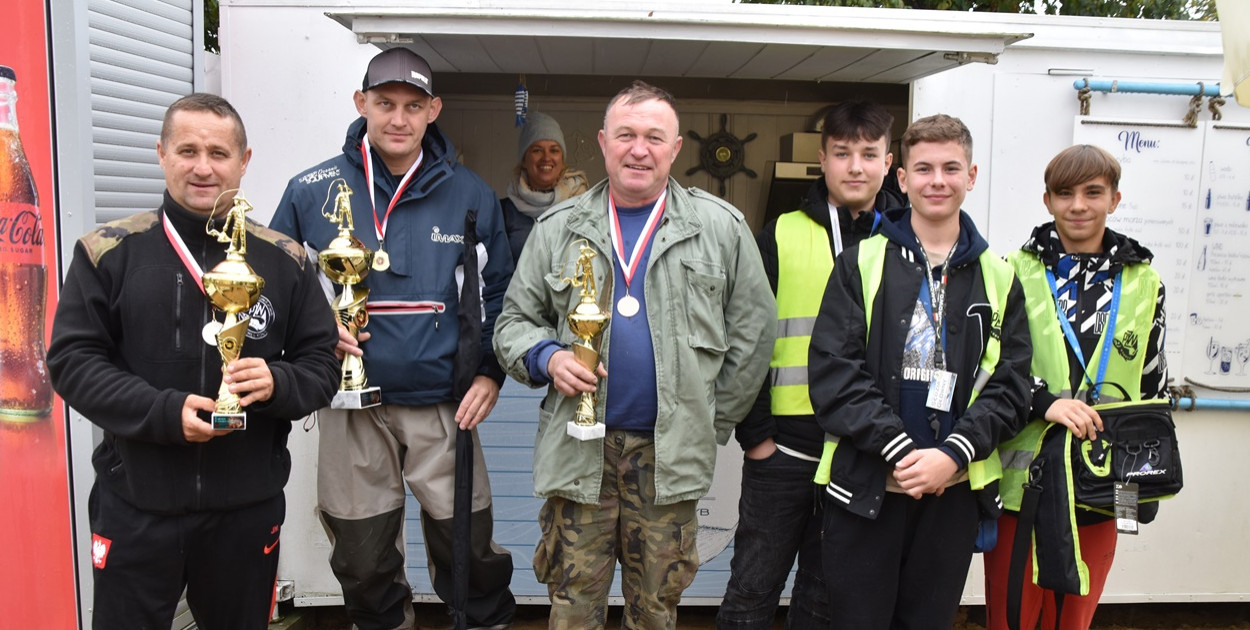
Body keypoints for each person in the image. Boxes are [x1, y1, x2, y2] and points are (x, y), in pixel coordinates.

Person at [47, 93, 340, 630]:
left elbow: (322, 365)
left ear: (244, 160)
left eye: (218, 153)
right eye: (187, 150)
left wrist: (277, 381)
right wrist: (163, 412)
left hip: (245, 510)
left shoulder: (285, 259)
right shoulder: (109, 251)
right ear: (161, 154)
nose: (203, 167)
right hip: (136, 505)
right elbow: (72, 361)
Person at [493, 80, 775, 629]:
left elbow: (753, 335)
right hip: (580, 456)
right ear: (603, 142)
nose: (638, 149)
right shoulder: (557, 229)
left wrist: (708, 421)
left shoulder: (720, 229)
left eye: (654, 137)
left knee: (656, 610)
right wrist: (548, 356)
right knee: (574, 606)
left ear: (675, 148)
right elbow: (511, 324)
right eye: (625, 134)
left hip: (667, 460)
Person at [269, 48, 516, 630]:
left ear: (434, 109)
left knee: (469, 549)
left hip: (443, 406)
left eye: (412, 105)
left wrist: (490, 372)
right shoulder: (311, 190)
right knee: (361, 553)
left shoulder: (470, 193)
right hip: (349, 404)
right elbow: (270, 292)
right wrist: (313, 330)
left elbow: (502, 295)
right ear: (362, 104)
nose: (398, 119)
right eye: (384, 103)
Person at [807, 113, 1032, 629]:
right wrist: (903, 451)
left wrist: (951, 456)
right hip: (868, 488)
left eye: (951, 168)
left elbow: (1011, 387)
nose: (937, 180)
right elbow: (834, 374)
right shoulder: (861, 262)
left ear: (971, 176)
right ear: (902, 178)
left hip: (951, 494)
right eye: (923, 168)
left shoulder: (999, 276)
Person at [717, 100, 906, 630]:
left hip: (861, 451)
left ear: (888, 163)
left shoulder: (906, 241)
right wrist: (755, 435)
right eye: (842, 153)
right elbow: (744, 337)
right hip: (786, 448)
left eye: (869, 154)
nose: (855, 167)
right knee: (752, 592)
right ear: (821, 159)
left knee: (825, 598)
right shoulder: (778, 233)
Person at [983, 144, 1168, 630]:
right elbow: (990, 370)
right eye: (1065, 193)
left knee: (1074, 623)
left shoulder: (1145, 281)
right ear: (1047, 200)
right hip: (1020, 485)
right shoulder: (1010, 270)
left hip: (1103, 486)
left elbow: (1152, 384)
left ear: (1115, 198)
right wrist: (1045, 402)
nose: (1078, 205)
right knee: (1010, 620)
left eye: (1093, 192)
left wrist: (1137, 492)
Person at [501, 111, 590, 261]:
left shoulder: (584, 205)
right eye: (537, 150)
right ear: (524, 159)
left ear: (562, 158)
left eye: (554, 150)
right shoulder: (505, 211)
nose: (546, 158)